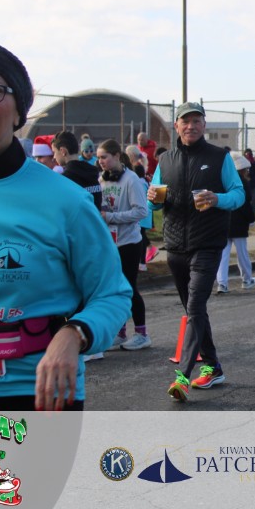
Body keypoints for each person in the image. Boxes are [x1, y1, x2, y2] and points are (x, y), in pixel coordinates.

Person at [0, 40, 130, 411]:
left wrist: (74, 334)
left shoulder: (66, 200)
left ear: (19, 111)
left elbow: (112, 293)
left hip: (38, 390)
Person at [148, 102, 245, 401]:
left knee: (195, 307)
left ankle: (182, 377)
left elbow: (239, 194)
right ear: (176, 126)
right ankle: (213, 367)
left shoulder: (219, 157)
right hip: (175, 246)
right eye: (185, 121)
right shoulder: (165, 160)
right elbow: (154, 202)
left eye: (196, 121)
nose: (191, 126)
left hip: (208, 243)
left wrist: (217, 199)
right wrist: (152, 199)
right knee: (194, 311)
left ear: (204, 125)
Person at [97, 139, 151, 351]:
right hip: (110, 243)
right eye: (99, 158)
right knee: (114, 289)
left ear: (117, 156)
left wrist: (111, 217)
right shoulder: (102, 179)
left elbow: (141, 211)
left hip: (129, 242)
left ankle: (142, 334)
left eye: (104, 157)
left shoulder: (131, 179)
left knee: (129, 288)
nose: (100, 161)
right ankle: (120, 332)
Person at [216, 151, 255, 293]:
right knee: (242, 254)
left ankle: (222, 283)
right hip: (239, 224)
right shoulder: (242, 183)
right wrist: (251, 219)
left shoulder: (221, 181)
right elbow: (245, 204)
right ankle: (247, 279)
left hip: (224, 223)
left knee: (223, 255)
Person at [51, 130, 102, 211]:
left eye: (54, 152)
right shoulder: (93, 173)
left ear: (63, 151)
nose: (54, 157)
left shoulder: (65, 179)